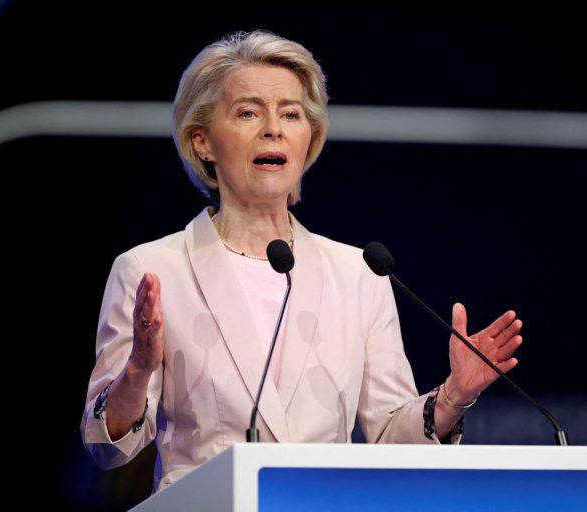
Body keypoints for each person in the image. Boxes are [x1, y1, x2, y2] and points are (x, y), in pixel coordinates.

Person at [80, 30, 523, 493]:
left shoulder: (358, 273)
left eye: (290, 114)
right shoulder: (151, 270)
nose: (273, 128)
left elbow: (390, 438)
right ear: (202, 141)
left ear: (308, 138)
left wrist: (453, 396)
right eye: (248, 112)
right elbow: (107, 448)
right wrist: (138, 370)